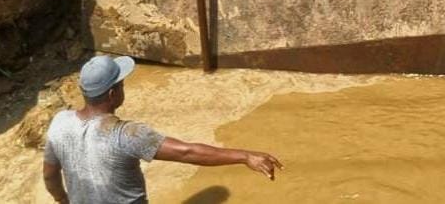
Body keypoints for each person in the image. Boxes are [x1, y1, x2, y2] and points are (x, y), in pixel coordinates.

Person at [43, 55, 282, 204]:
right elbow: (187, 153)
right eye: (122, 84)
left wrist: (62, 199)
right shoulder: (125, 134)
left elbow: (50, 176)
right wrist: (244, 156)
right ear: (113, 94)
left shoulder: (59, 123)